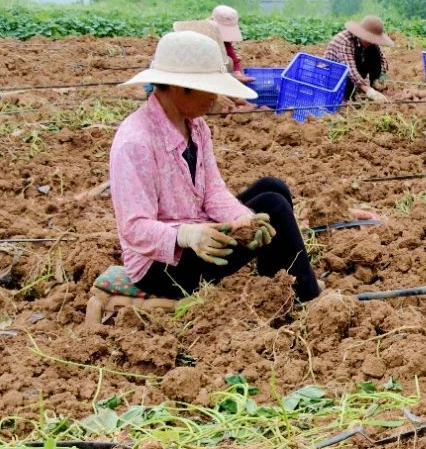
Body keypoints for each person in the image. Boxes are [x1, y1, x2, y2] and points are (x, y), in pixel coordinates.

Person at [109, 31, 321, 303]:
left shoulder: (196, 126)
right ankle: (308, 300)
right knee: (274, 207)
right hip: (162, 266)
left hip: (201, 231)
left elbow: (213, 193)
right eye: (209, 88)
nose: (215, 97)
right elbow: (134, 227)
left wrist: (242, 220)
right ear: (178, 87)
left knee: (273, 187)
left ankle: (275, 281)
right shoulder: (135, 142)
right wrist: (186, 235)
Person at [323, 16, 393, 102]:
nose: (371, 42)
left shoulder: (370, 44)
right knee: (347, 70)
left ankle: (375, 85)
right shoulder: (346, 41)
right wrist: (369, 91)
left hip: (352, 70)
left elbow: (382, 59)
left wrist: (381, 76)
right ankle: (345, 97)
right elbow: (349, 69)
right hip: (334, 76)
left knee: (374, 51)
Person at [208, 5, 253, 84]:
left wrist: (238, 73)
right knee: (227, 61)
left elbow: (231, 55)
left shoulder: (225, 42)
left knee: (229, 60)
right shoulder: (202, 36)